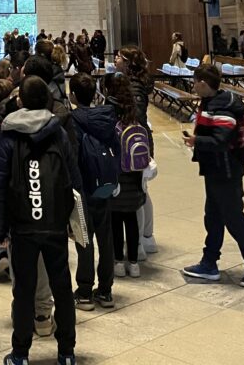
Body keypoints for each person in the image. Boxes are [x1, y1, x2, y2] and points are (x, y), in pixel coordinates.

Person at [0, 75, 80, 365]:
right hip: (55, 222)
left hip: (23, 225)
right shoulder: (58, 132)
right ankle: (67, 352)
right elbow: (73, 177)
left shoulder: (9, 135)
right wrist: (76, 221)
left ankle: (20, 354)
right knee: (62, 288)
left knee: (24, 291)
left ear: (20, 101)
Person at [182, 63, 244, 287]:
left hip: (227, 172)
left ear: (203, 83)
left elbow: (220, 140)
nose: (193, 86)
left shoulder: (223, 106)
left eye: (195, 82)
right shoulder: (211, 102)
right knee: (213, 218)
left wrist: (196, 141)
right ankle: (209, 263)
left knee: (234, 219)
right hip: (214, 170)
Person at [69, 72, 119, 310]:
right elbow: (117, 149)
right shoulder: (106, 117)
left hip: (83, 186)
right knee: (106, 237)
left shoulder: (73, 120)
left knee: (84, 239)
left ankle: (85, 291)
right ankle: (106, 290)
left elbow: (71, 156)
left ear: (73, 95)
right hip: (104, 185)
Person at [114, 45, 156, 255]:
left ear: (128, 63)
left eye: (119, 57)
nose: (115, 59)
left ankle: (141, 241)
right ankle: (145, 237)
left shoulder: (134, 87)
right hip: (135, 140)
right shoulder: (130, 82)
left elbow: (136, 116)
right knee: (140, 189)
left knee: (138, 193)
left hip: (135, 142)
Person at [106, 73, 147, 277]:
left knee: (115, 218)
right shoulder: (135, 109)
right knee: (131, 218)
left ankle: (118, 262)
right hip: (134, 170)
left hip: (117, 169)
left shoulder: (109, 108)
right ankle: (134, 262)